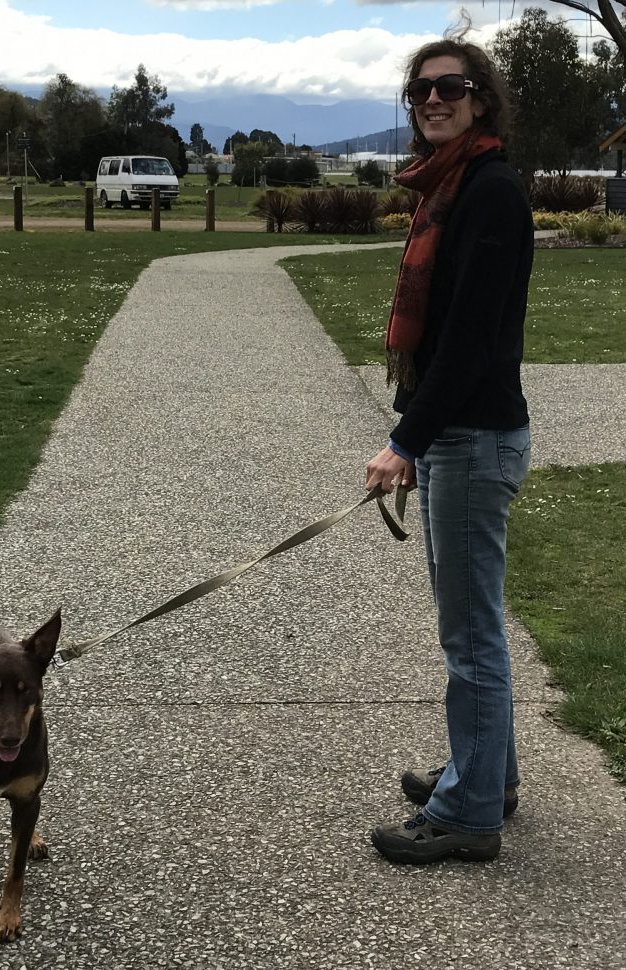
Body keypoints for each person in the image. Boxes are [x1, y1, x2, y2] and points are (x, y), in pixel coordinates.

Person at [364, 29, 534, 864]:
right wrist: (414, 435)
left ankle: (470, 815)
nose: (435, 99)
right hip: (458, 442)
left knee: (470, 639)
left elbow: (468, 345)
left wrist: (406, 440)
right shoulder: (449, 189)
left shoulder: (490, 192)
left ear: (481, 97)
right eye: (421, 90)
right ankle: (486, 776)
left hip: (472, 441)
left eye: (452, 86)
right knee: (474, 627)